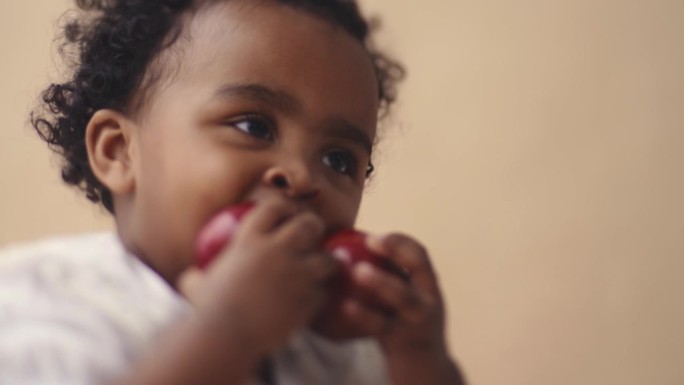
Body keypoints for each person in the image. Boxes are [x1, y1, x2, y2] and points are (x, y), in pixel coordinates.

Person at [1, 0, 464, 384]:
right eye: (253, 126)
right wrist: (228, 334)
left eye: (338, 160)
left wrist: (419, 358)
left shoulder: (336, 346)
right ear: (120, 151)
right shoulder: (39, 304)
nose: (301, 175)